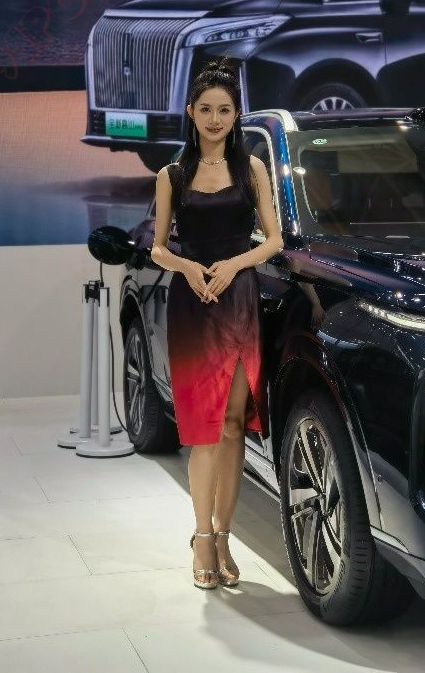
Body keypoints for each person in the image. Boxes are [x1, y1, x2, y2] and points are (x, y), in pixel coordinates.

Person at [150, 57, 283, 589]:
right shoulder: (172, 175)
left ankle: (225, 536)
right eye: (205, 109)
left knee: (231, 426)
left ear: (235, 115)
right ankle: (201, 537)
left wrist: (233, 265)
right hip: (192, 304)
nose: (214, 119)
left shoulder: (252, 170)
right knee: (202, 429)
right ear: (191, 112)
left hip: (238, 302)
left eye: (224, 110)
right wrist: (187, 267)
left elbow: (273, 240)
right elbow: (159, 248)